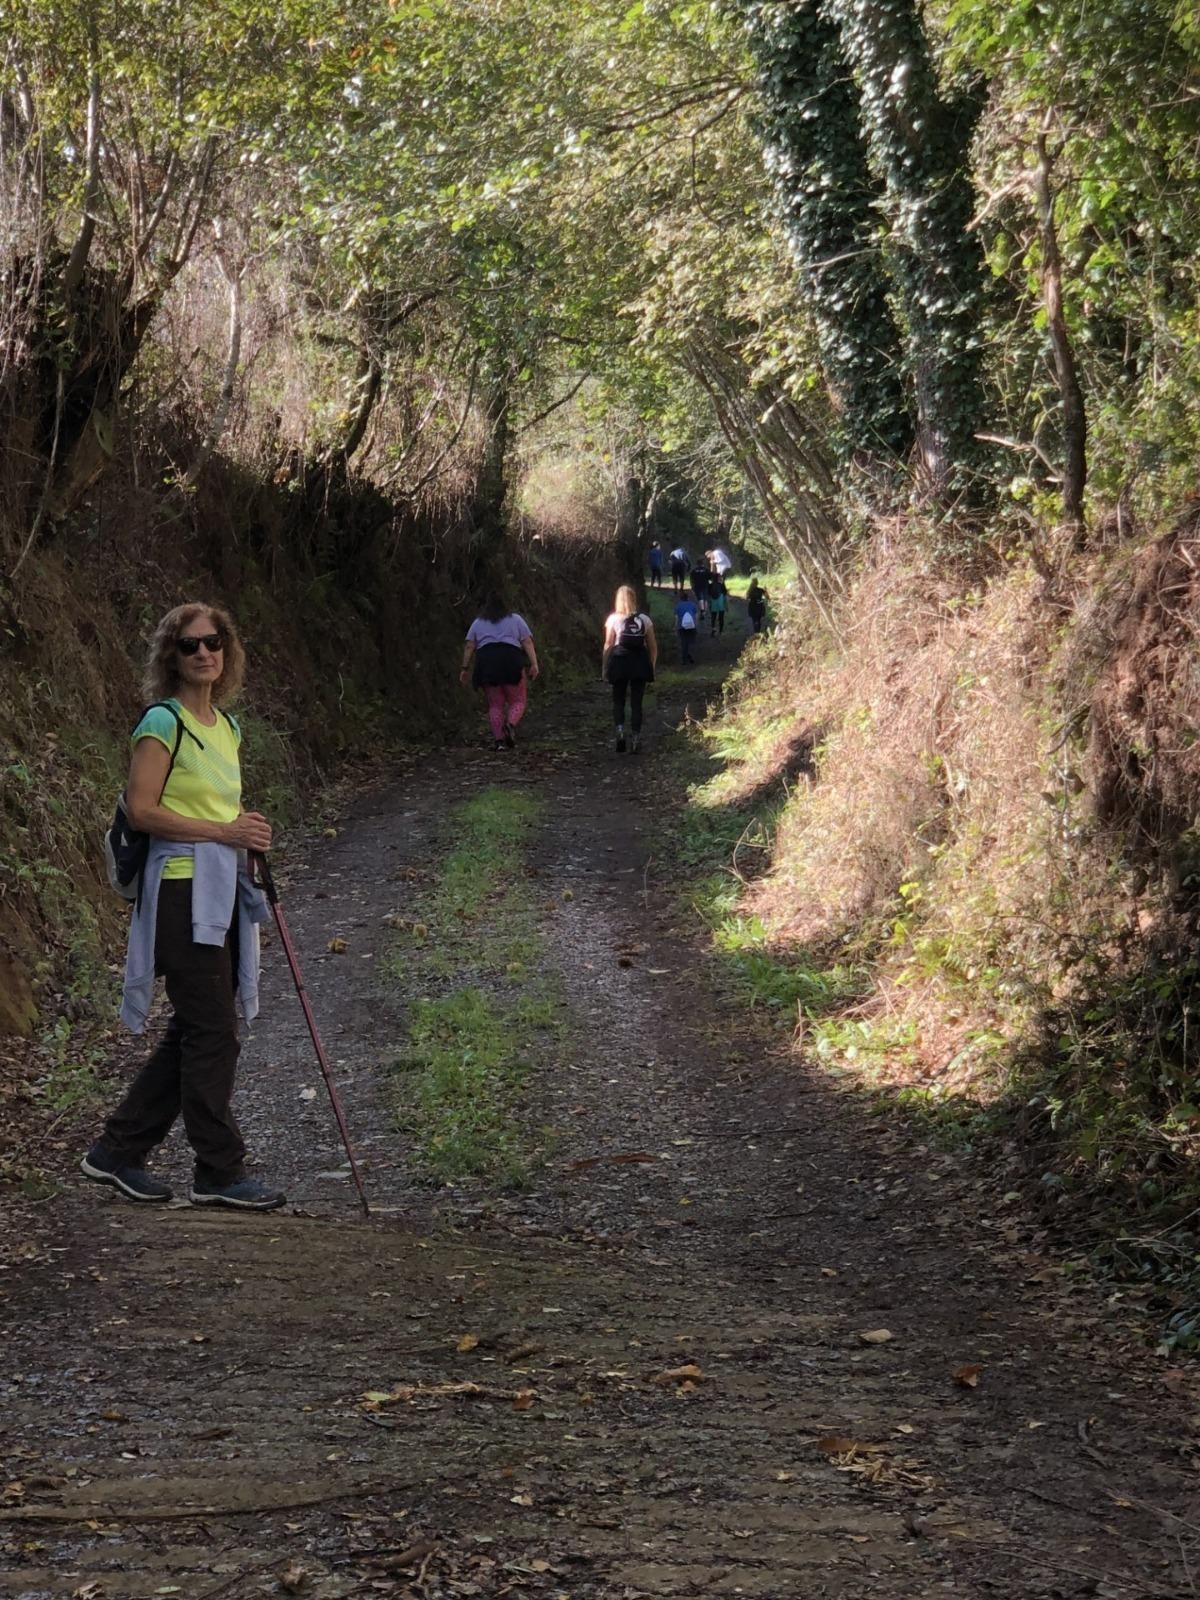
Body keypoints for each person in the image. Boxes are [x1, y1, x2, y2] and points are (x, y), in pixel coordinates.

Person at [82, 603, 285, 1211]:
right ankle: (218, 1171)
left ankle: (116, 1152)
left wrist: (245, 830)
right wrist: (224, 833)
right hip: (177, 889)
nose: (204, 653)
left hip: (219, 889)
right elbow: (142, 809)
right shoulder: (162, 723)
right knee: (213, 1031)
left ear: (227, 651)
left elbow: (220, 813)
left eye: (213, 642)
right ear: (171, 657)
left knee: (198, 1029)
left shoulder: (228, 728)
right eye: (189, 645)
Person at [461, 592, 540, 750]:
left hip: (487, 663)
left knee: (495, 705)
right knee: (518, 700)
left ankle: (499, 741)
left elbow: (470, 645)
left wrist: (464, 668)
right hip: (511, 660)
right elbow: (527, 642)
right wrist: (534, 664)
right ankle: (510, 725)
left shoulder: (478, 622)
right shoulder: (516, 619)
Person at [602, 584, 658, 754]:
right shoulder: (645, 620)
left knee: (618, 700)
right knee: (636, 702)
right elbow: (653, 646)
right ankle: (635, 738)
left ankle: (620, 732)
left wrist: (605, 665)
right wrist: (651, 666)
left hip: (620, 661)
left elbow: (608, 644)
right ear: (634, 598)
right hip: (639, 661)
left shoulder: (613, 619)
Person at [674, 593, 699, 663]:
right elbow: (696, 616)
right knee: (691, 641)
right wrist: (696, 625)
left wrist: (675, 627)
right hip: (692, 626)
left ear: (680, 599)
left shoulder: (678, 606)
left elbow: (676, 618)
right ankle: (691, 655)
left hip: (681, 626)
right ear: (688, 598)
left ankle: (684, 658)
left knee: (683, 642)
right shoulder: (693, 605)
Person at [709, 572, 728, 637]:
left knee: (713, 617)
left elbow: (708, 594)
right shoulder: (721, 585)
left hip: (713, 602)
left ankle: (713, 629)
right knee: (721, 618)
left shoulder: (710, 585)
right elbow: (725, 592)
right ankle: (721, 631)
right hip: (720, 603)